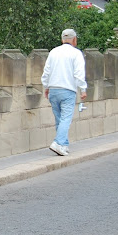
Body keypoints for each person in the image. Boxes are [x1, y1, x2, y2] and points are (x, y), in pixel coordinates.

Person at [41, 28, 87, 156]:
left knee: (59, 119)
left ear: (62, 39)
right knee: (66, 119)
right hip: (67, 90)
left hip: (54, 89)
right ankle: (58, 142)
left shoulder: (53, 52)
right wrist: (83, 89)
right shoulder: (76, 53)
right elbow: (79, 73)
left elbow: (46, 72)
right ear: (74, 39)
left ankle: (64, 145)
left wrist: (46, 87)